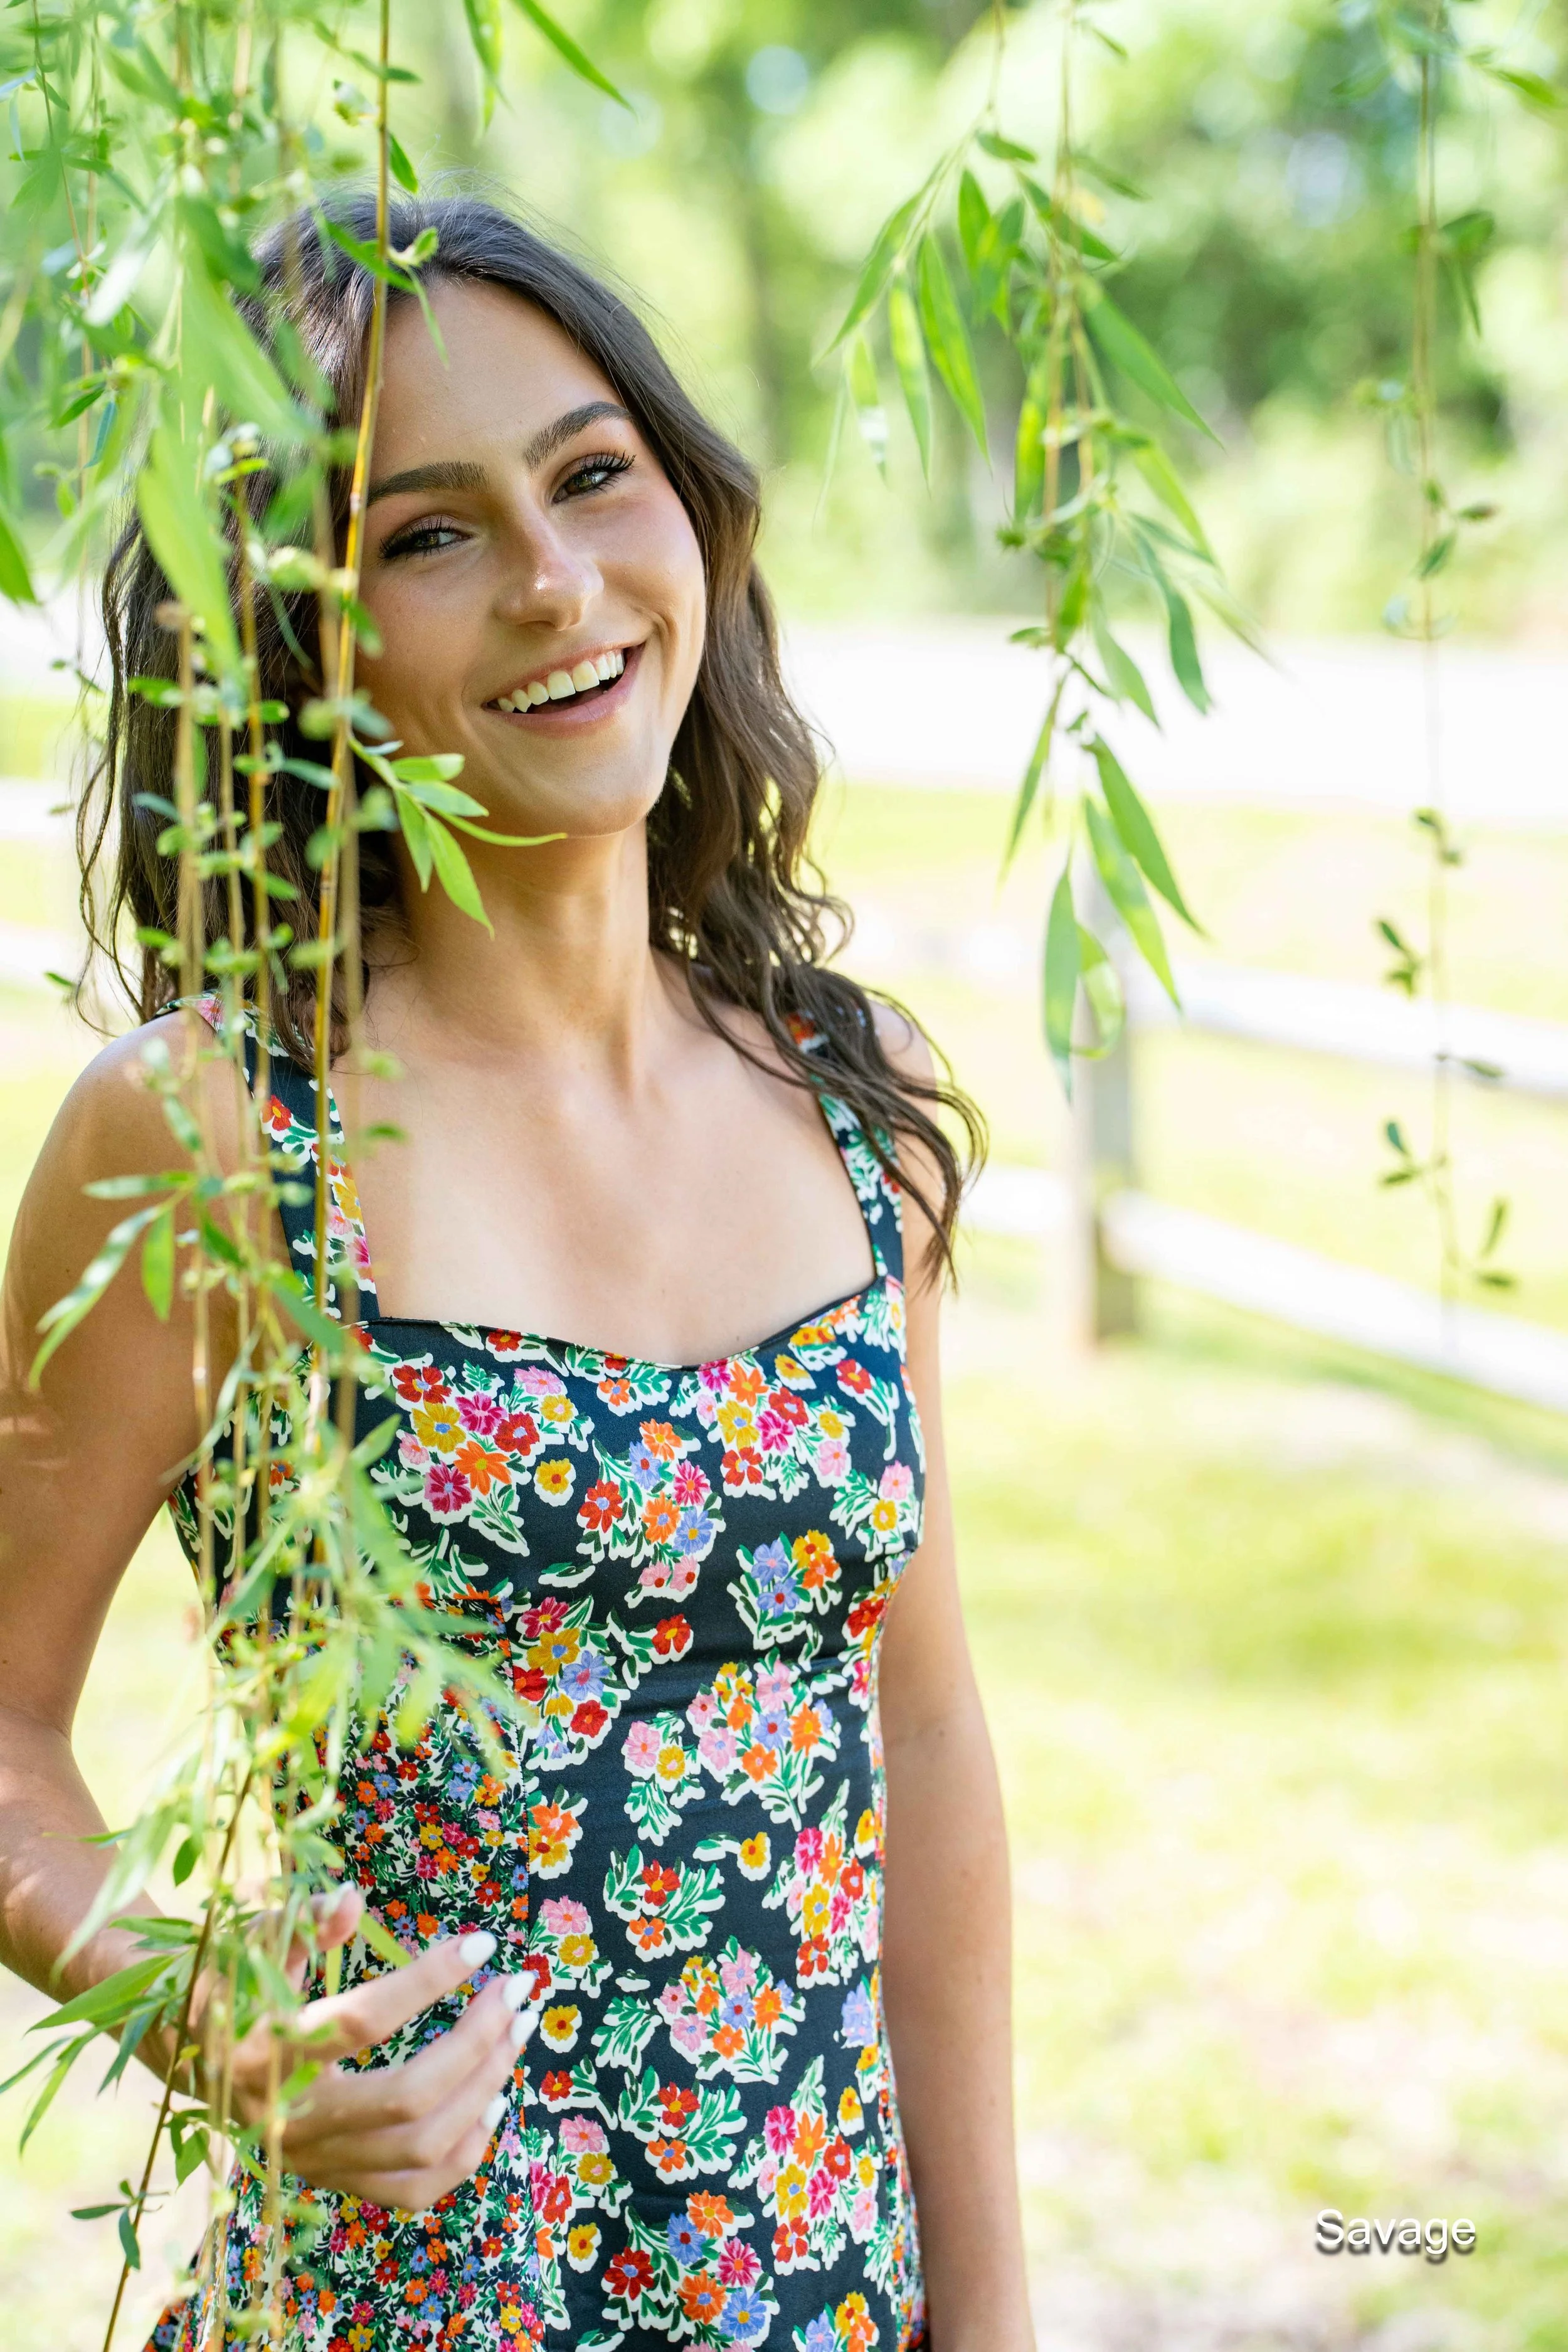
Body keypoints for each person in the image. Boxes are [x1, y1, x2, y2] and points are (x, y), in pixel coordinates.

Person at [0, 195, 1034, 2352]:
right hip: (413, 2311)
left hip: (823, 2304)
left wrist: (993, 2311)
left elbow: (920, 1731)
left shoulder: (858, 1108)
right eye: (427, 532)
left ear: (690, 510)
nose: (557, 584)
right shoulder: (208, 1133)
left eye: (589, 475)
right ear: (301, 638)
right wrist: (203, 2013)